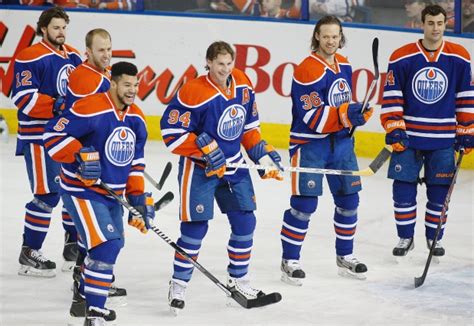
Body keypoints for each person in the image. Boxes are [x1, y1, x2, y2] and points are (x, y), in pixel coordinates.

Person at [160, 41, 283, 314]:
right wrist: (204, 151)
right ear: (208, 63)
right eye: (219, 64)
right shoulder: (193, 91)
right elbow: (170, 132)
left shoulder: (242, 84)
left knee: (245, 221)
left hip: (235, 167)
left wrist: (261, 155)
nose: (224, 70)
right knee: (195, 230)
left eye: (229, 64)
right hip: (199, 170)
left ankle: (239, 281)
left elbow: (249, 128)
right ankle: (178, 284)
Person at [44, 61, 154, 325]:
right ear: (113, 83)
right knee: (107, 245)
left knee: (108, 247)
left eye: (136, 85)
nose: (132, 90)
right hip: (81, 191)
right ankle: (94, 314)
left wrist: (137, 197)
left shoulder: (136, 118)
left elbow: (135, 163)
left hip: (112, 195)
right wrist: (78, 155)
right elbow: (52, 136)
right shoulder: (89, 107)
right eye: (127, 84)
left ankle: (80, 302)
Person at [278, 15, 373, 286]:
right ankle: (289, 261)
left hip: (341, 145)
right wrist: (347, 114)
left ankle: (345, 256)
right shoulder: (306, 69)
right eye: (326, 36)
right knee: (304, 205)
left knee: (349, 201)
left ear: (340, 37)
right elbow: (314, 118)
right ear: (317, 37)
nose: (331, 41)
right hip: (310, 145)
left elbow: (341, 103)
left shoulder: (344, 64)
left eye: (335, 36)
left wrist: (357, 113)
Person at [380, 4, 473, 259]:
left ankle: (434, 239)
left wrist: (466, 130)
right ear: (422, 24)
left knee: (440, 194)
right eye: (431, 23)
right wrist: (394, 127)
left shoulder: (460, 57)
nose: (435, 28)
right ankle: (405, 237)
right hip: (409, 139)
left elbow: (465, 97)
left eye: (440, 23)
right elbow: (392, 97)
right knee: (402, 191)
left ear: (446, 24)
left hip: (443, 139)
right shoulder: (402, 57)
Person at [11, 6, 82, 278]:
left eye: (64, 27)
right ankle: (29, 252)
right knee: (47, 195)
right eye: (55, 27)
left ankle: (71, 246)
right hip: (39, 137)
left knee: (73, 191)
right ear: (43, 29)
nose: (61, 32)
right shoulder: (29, 57)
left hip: (66, 136)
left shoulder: (75, 55)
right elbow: (24, 98)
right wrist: (57, 105)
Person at [63, 28, 128, 317]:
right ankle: (85, 293)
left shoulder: (103, 74)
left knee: (94, 235)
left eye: (109, 49)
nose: (107, 54)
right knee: (98, 237)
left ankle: (88, 287)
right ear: (87, 52)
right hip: (82, 167)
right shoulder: (85, 79)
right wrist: (82, 155)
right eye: (101, 50)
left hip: (99, 164)